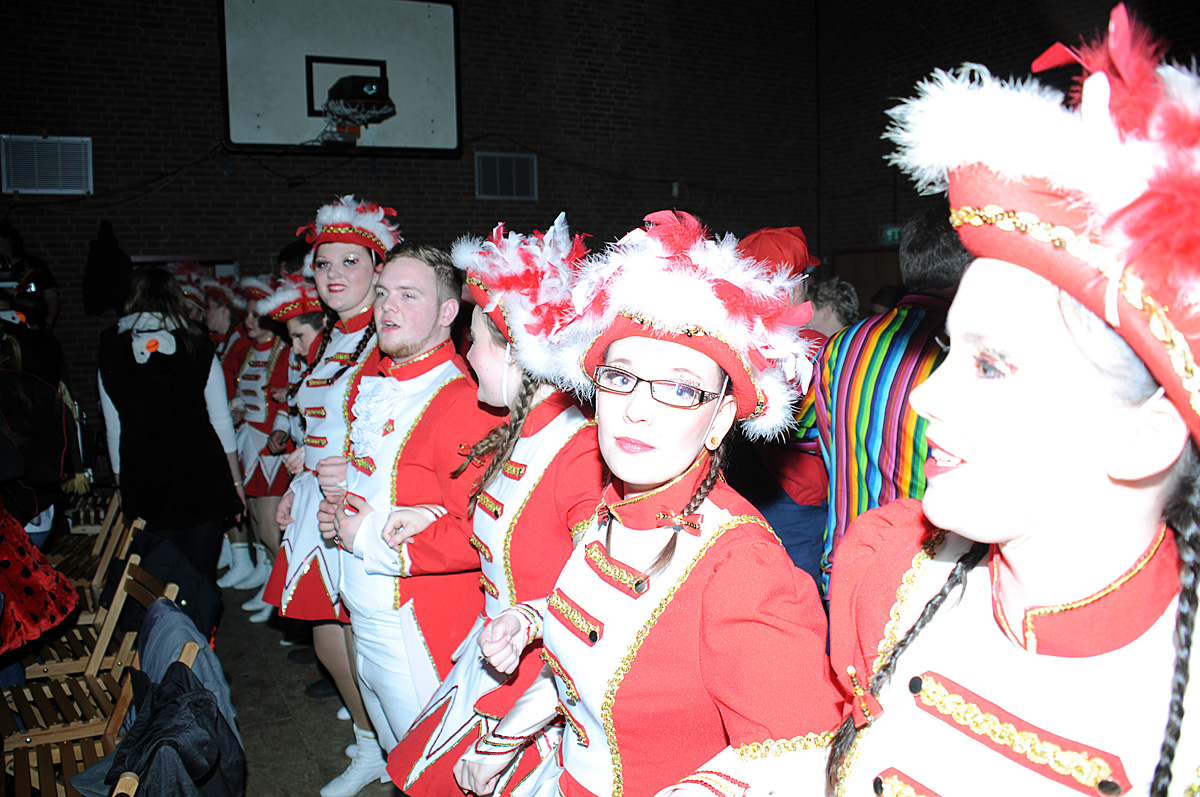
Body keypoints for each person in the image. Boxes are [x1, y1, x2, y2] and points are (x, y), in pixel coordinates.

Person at [823, 7, 1200, 794]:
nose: (924, 397)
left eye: (991, 365)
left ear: (1143, 438)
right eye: (947, 350)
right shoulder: (887, 573)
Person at [472, 211, 843, 797]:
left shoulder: (742, 568)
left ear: (720, 417)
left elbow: (801, 757)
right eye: (620, 377)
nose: (636, 410)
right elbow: (597, 644)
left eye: (680, 388)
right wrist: (527, 635)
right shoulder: (611, 505)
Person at [384, 214, 603, 796]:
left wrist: (507, 734)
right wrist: (431, 515)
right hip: (499, 657)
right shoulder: (520, 429)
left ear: (516, 355)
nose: (468, 356)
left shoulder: (577, 450)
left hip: (549, 682)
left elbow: (600, 611)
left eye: (475, 342)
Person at [313, 242, 505, 776]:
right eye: (382, 293)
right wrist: (340, 505)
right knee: (402, 763)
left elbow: (480, 531)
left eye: (408, 295)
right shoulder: (383, 380)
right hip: (365, 610)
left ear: (448, 313)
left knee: (438, 772)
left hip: (416, 628)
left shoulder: (462, 400)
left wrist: (364, 536)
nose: (387, 307)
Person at [259, 195, 399, 797]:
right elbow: (320, 427)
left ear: (378, 268)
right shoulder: (330, 338)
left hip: (360, 505)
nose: (333, 274)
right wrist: (299, 482)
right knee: (327, 635)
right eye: (322, 263)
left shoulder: (389, 335)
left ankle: (389, 747)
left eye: (349, 261)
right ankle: (373, 744)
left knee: (366, 644)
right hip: (319, 501)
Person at [807, 206, 971, 591]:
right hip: (930, 574)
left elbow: (821, 446)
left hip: (847, 569)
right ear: (969, 268)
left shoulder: (840, 347)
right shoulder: (964, 355)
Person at [97, 267, 244, 579]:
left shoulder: (111, 348)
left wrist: (123, 486)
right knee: (200, 579)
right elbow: (220, 420)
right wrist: (235, 483)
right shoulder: (197, 342)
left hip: (145, 476)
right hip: (202, 476)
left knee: (160, 580)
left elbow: (114, 427)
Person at [727, 224, 827, 583]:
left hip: (730, 488)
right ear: (797, 285)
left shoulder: (723, 339)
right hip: (798, 498)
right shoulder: (817, 348)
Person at [229, 275, 294, 621]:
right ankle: (269, 583)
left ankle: (285, 594)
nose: (249, 321)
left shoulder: (284, 352)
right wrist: (238, 405)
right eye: (248, 315)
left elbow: (285, 400)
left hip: (272, 449)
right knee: (255, 519)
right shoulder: (249, 350)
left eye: (257, 315)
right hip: (250, 443)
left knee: (270, 529)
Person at [0, 221, 58, 331]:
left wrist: (47, 324)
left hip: (32, 326)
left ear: (9, 239)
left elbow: (51, 297)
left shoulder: (35, 266)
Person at [202, 274, 250, 399]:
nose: (204, 313)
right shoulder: (214, 341)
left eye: (208, 307)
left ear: (224, 310)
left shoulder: (241, 342)